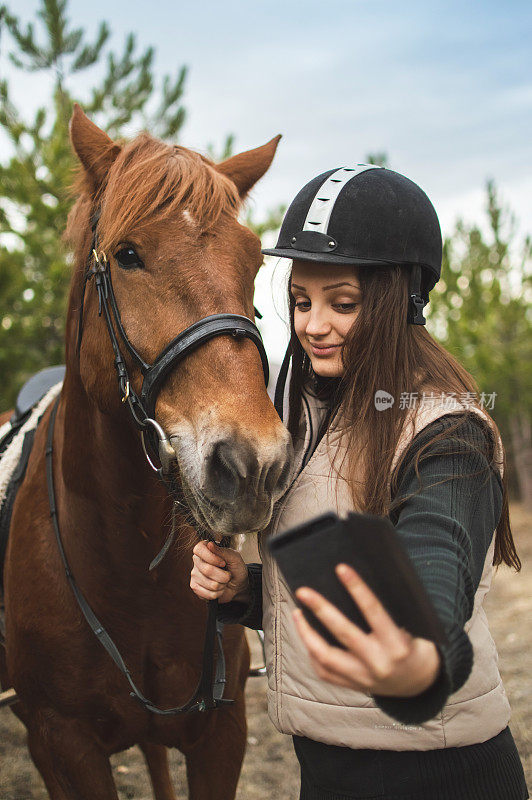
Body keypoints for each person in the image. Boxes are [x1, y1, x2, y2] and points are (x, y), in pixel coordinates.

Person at [190, 165, 529, 800]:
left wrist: (419, 645)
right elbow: (345, 582)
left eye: (342, 303)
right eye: (300, 300)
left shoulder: (449, 432)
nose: (313, 324)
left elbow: (437, 558)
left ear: (400, 300)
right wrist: (247, 589)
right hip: (326, 764)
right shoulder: (305, 413)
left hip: (436, 774)